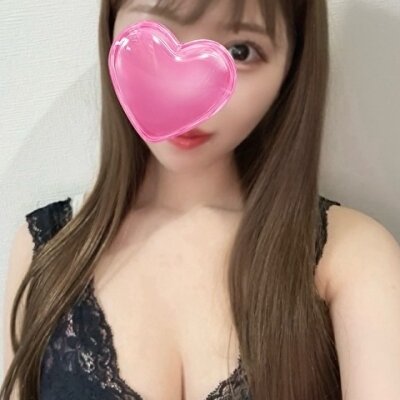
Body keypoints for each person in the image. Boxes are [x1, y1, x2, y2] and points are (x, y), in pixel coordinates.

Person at [2, 0, 400, 399]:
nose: (188, 93)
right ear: (111, 31)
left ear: (290, 67)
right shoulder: (45, 253)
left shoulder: (351, 256)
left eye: (240, 51)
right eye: (157, 35)